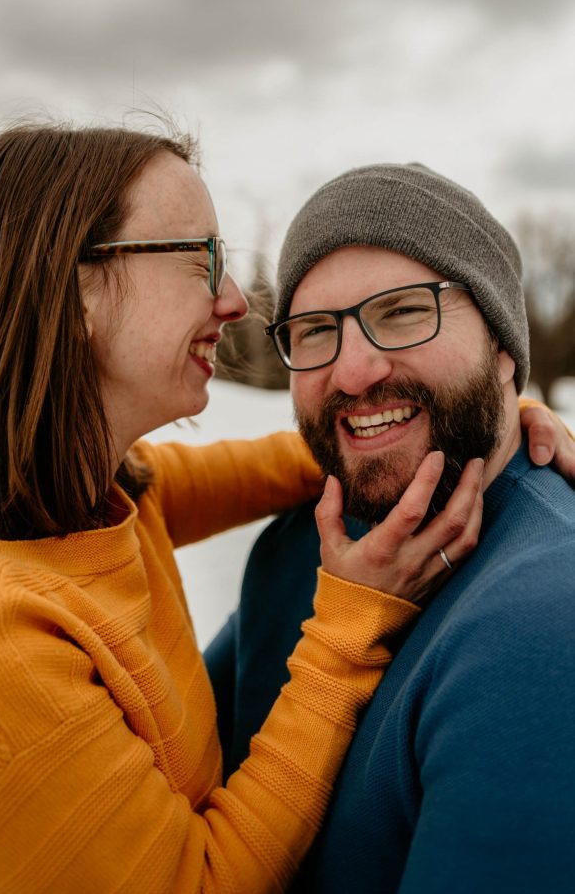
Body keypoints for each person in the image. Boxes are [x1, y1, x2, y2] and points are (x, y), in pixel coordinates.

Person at [0, 126, 501, 893]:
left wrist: (476, 409)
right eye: (202, 260)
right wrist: (351, 624)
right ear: (75, 288)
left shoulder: (100, 494)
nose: (234, 302)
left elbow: (281, 461)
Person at [206, 162, 575, 893]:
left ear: (505, 346)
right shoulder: (308, 543)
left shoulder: (544, 622)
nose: (354, 372)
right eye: (315, 330)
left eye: (405, 311)